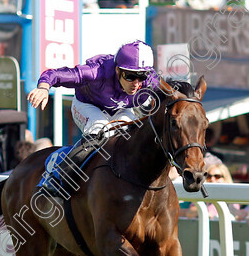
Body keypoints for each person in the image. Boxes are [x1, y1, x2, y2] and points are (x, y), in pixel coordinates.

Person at [28, 40, 160, 195]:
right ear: (117, 70)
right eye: (130, 76)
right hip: (87, 106)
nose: (137, 84)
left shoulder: (151, 81)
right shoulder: (96, 72)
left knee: (131, 134)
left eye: (142, 76)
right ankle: (58, 175)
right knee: (100, 129)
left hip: (121, 110)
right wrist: (43, 87)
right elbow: (54, 74)